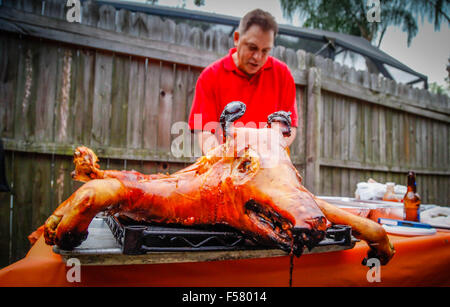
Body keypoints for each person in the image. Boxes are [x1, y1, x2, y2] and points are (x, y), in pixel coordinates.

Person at [188, 9, 298, 154]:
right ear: (236, 38)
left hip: (269, 164)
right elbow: (204, 130)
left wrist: (269, 151)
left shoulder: (283, 74)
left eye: (265, 51)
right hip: (227, 165)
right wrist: (222, 159)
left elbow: (290, 128)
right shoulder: (210, 76)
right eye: (252, 48)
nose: (258, 57)